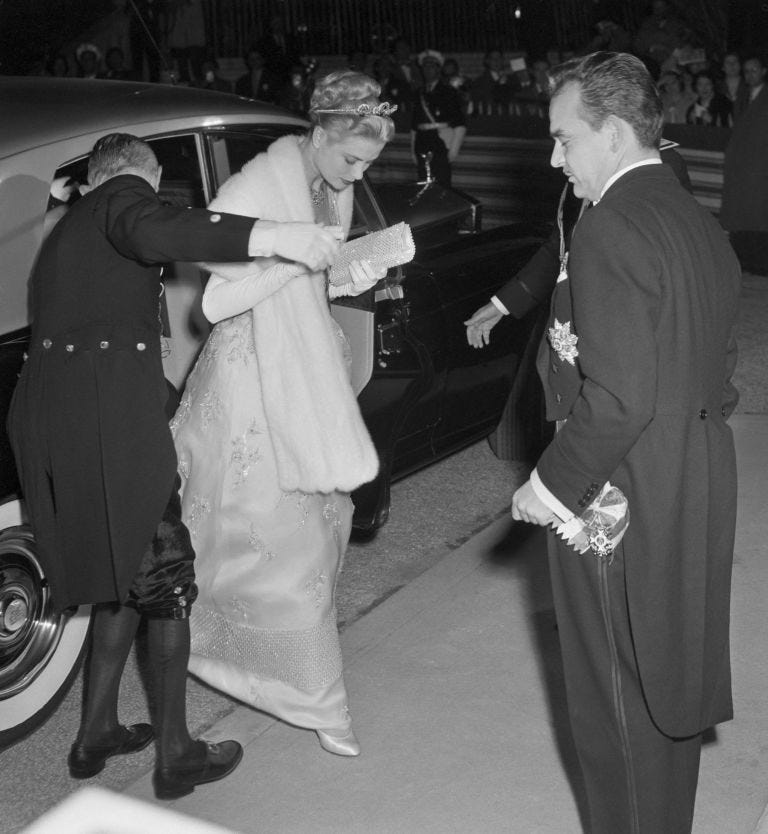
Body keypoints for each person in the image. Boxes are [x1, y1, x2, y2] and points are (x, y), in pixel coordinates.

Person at [7, 133, 341, 799]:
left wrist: (173, 408)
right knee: (166, 580)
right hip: (102, 429)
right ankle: (178, 755)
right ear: (131, 173)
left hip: (64, 420)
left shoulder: (66, 235)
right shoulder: (120, 201)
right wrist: (279, 236)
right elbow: (155, 227)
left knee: (125, 575)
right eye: (153, 186)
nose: (154, 199)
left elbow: (98, 338)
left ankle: (95, 733)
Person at [510, 52, 740, 833]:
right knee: (665, 682)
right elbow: (719, 363)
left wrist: (547, 486)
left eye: (564, 138)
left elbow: (617, 399)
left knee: (615, 698)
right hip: (692, 475)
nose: (555, 158)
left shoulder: (612, 224)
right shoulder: (691, 216)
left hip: (617, 493)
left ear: (609, 134)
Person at [170, 70, 395, 758]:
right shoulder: (251, 191)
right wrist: (294, 258)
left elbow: (320, 275)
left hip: (308, 368)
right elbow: (211, 305)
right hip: (250, 381)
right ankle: (317, 698)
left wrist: (355, 270)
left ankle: (278, 667)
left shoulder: (338, 187)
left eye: (367, 164)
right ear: (320, 131)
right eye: (351, 158)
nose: (357, 173)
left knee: (325, 526)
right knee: (268, 541)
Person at [720, 54, 768, 272]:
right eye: (746, 71)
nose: (750, 75)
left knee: (759, 214)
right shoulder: (742, 95)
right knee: (742, 213)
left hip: (760, 166)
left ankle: (759, 264)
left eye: (754, 70)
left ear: (764, 71)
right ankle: (743, 262)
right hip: (743, 165)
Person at [411, 50, 467, 187]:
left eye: (431, 66)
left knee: (442, 185)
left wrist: (453, 151)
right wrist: (413, 150)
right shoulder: (419, 93)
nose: (427, 70)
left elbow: (460, 123)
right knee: (424, 184)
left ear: (438, 69)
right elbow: (414, 125)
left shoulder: (449, 92)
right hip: (422, 143)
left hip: (440, 144)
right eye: (425, 66)